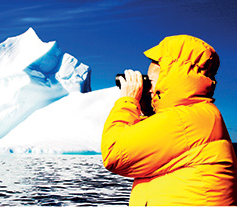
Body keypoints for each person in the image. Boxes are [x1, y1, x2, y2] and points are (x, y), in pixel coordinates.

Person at [101, 35, 237, 206]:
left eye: (150, 81)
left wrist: (128, 101)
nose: (147, 87)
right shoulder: (197, 115)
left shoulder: (186, 118)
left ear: (173, 75)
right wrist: (146, 106)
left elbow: (115, 154)